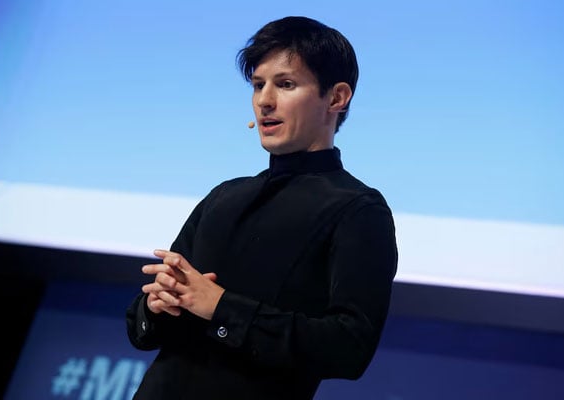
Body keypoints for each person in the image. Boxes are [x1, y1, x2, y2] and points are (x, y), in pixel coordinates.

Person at [126, 15, 398, 400]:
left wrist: (222, 309)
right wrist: (157, 305)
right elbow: (142, 329)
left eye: (285, 84)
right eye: (258, 85)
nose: (264, 101)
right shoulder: (224, 196)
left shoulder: (358, 209)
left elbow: (349, 348)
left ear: (336, 98)